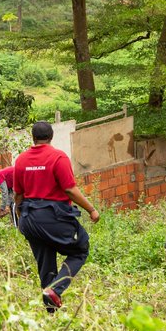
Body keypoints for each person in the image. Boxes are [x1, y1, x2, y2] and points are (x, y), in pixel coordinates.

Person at [13, 121, 100, 312]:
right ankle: (56, 288)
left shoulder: (21, 160)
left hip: (29, 218)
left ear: (33, 138)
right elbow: (69, 189)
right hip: (53, 217)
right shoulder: (58, 157)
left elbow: (18, 195)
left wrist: (20, 217)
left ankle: (51, 312)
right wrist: (91, 209)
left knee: (46, 263)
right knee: (80, 249)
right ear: (51, 137)